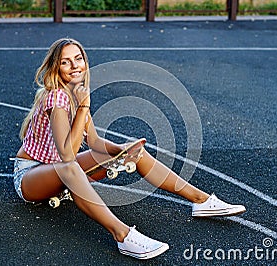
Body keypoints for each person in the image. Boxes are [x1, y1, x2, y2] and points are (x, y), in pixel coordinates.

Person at [13, 38, 246, 260]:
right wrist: (84, 106)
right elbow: (67, 156)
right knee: (70, 169)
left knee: (135, 153)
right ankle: (123, 235)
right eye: (66, 62)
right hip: (31, 177)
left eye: (79, 59)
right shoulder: (57, 98)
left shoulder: (76, 93)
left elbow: (93, 142)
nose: (75, 66)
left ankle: (201, 200)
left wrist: (121, 150)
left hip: (57, 169)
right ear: (56, 67)